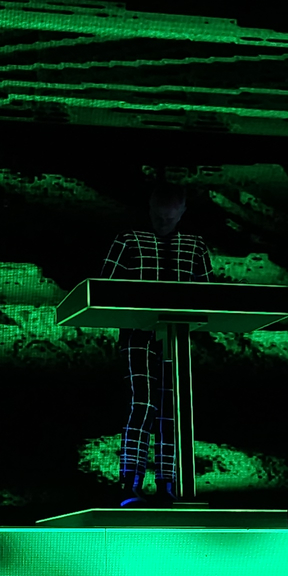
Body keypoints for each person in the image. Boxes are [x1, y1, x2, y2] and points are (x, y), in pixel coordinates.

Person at [103, 182, 213, 508]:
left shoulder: (195, 246)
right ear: (150, 210)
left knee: (172, 412)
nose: (163, 223)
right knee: (144, 404)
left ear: (181, 213)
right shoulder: (128, 241)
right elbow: (105, 289)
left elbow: (210, 297)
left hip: (176, 339)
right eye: (158, 217)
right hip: (138, 334)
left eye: (169, 218)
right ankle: (130, 483)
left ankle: (168, 484)